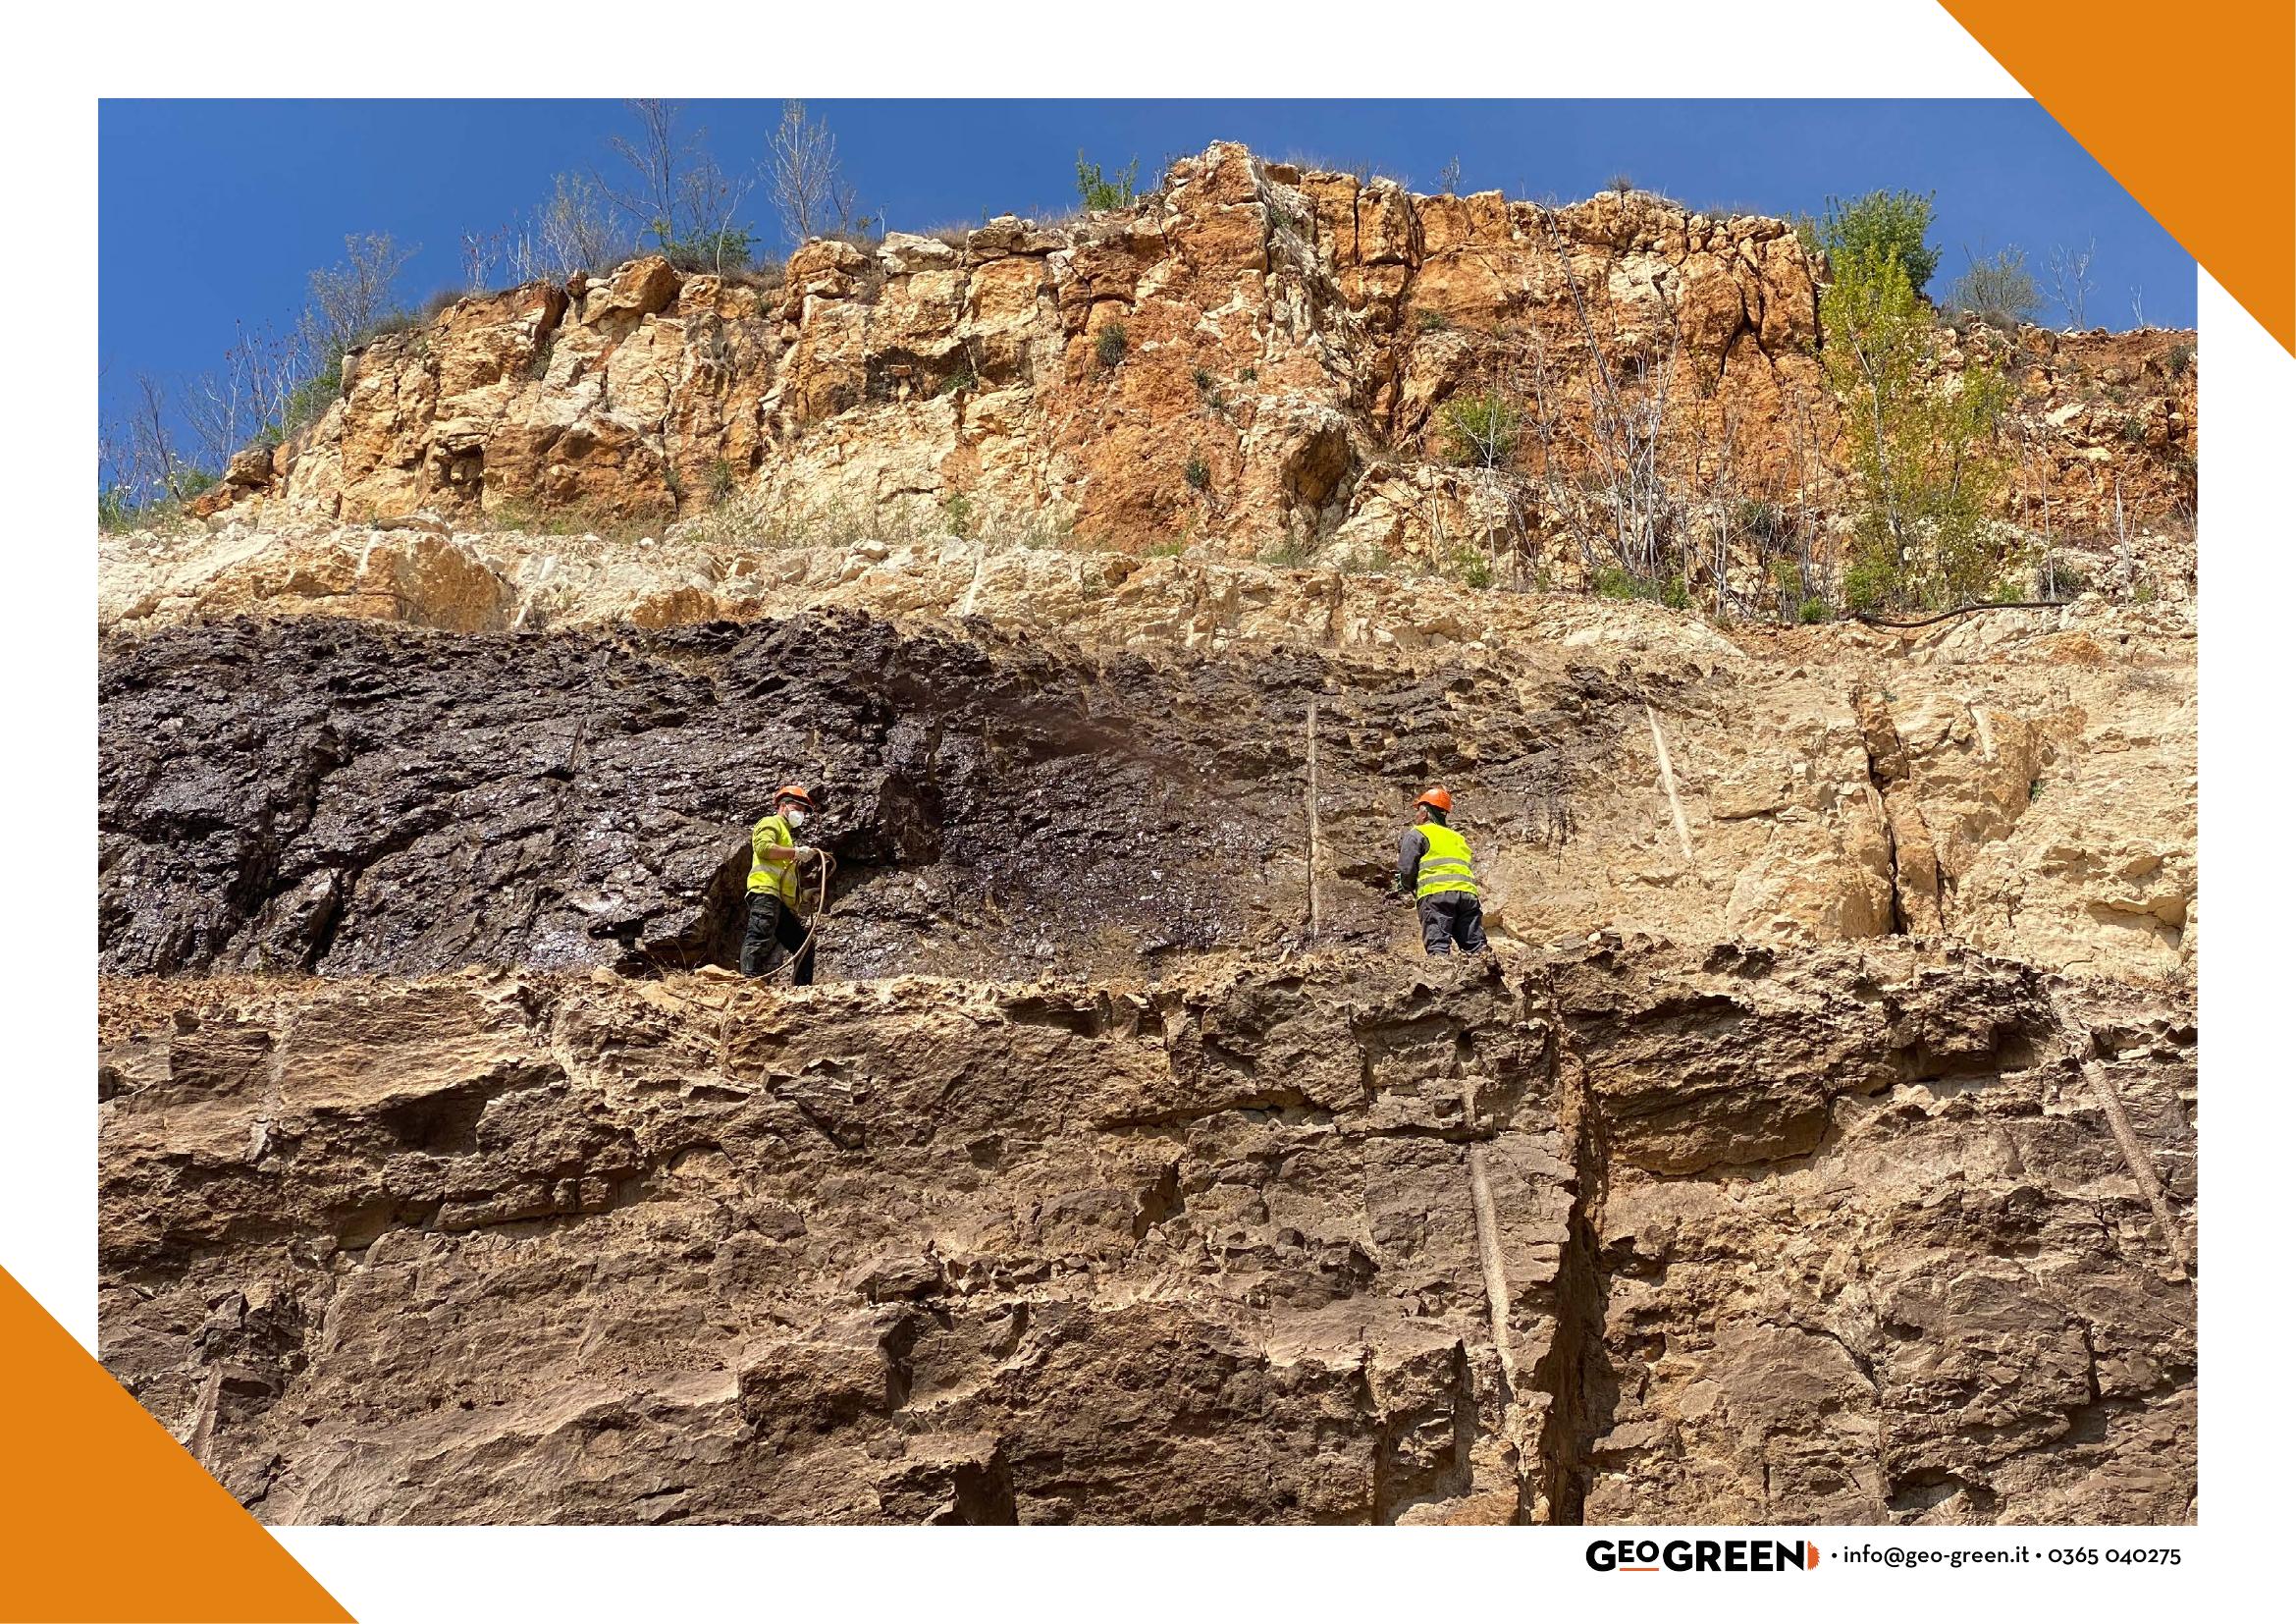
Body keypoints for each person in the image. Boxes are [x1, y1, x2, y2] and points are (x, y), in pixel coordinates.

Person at [743, 785, 822, 983]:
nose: (801, 813)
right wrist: (795, 853)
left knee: (804, 946)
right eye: (798, 807)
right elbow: (763, 848)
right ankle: (749, 982)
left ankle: (801, 992)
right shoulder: (771, 822)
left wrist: (804, 896)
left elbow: (784, 877)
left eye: (804, 810)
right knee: (758, 937)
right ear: (783, 805)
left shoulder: (786, 836)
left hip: (778, 900)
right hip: (764, 892)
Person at [1397, 786, 1486, 957]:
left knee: (1438, 946)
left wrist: (1405, 884)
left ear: (1425, 814)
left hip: (1436, 896)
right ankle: (1487, 978)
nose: (1416, 817)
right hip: (1467, 896)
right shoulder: (1457, 837)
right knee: (1476, 945)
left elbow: (1406, 869)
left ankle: (1440, 980)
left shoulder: (1418, 833)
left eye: (1417, 812)